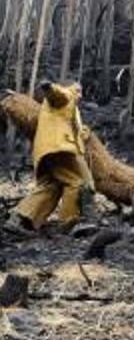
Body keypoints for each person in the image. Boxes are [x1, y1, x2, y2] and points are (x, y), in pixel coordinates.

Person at [3, 80, 96, 234]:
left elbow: (71, 127)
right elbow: (58, 94)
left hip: (47, 150)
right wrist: (50, 87)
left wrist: (83, 133)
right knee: (77, 182)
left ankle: (19, 219)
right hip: (60, 149)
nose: (80, 95)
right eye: (78, 90)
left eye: (80, 91)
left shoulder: (68, 110)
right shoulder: (65, 96)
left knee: (51, 186)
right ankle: (70, 222)